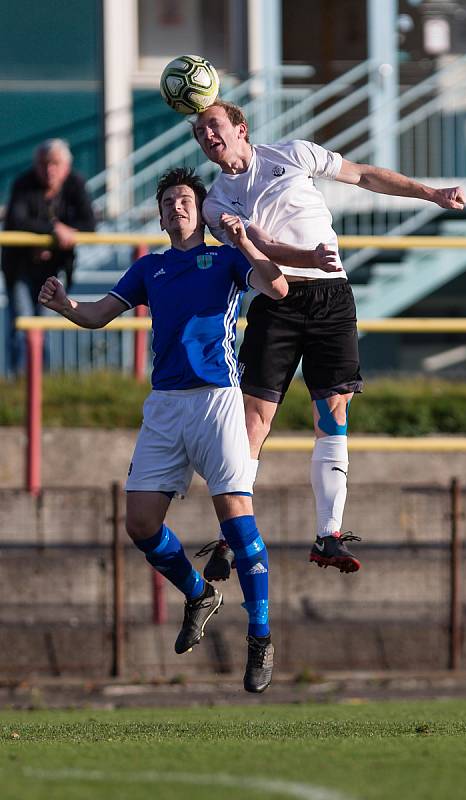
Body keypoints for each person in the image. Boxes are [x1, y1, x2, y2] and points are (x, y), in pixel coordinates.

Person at [37, 167, 333, 693]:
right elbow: (99, 314)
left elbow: (279, 287)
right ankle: (198, 594)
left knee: (236, 517)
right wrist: (66, 306)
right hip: (165, 406)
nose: (177, 206)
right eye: (169, 200)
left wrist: (245, 242)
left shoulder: (224, 258)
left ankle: (260, 636)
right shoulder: (150, 268)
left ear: (200, 212)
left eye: (185, 200)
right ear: (159, 213)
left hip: (217, 401)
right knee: (140, 523)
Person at [192, 99, 466, 580]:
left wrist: (431, 194)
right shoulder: (215, 203)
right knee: (254, 420)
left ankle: (329, 534)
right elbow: (263, 246)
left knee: (333, 411)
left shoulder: (291, 154)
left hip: (331, 298)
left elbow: (362, 175)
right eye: (199, 132)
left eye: (214, 126)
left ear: (241, 128)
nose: (207, 136)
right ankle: (232, 534)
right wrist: (309, 257)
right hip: (277, 300)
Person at [2, 138, 96, 376]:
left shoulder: (75, 183)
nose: (49, 169)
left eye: (55, 163)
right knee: (21, 324)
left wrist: (62, 236)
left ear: (66, 166)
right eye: (44, 163)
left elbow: (89, 223)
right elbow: (16, 220)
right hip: (20, 267)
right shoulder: (24, 183)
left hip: (55, 268)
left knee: (46, 325)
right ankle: (19, 382)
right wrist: (53, 231)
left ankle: (42, 381)